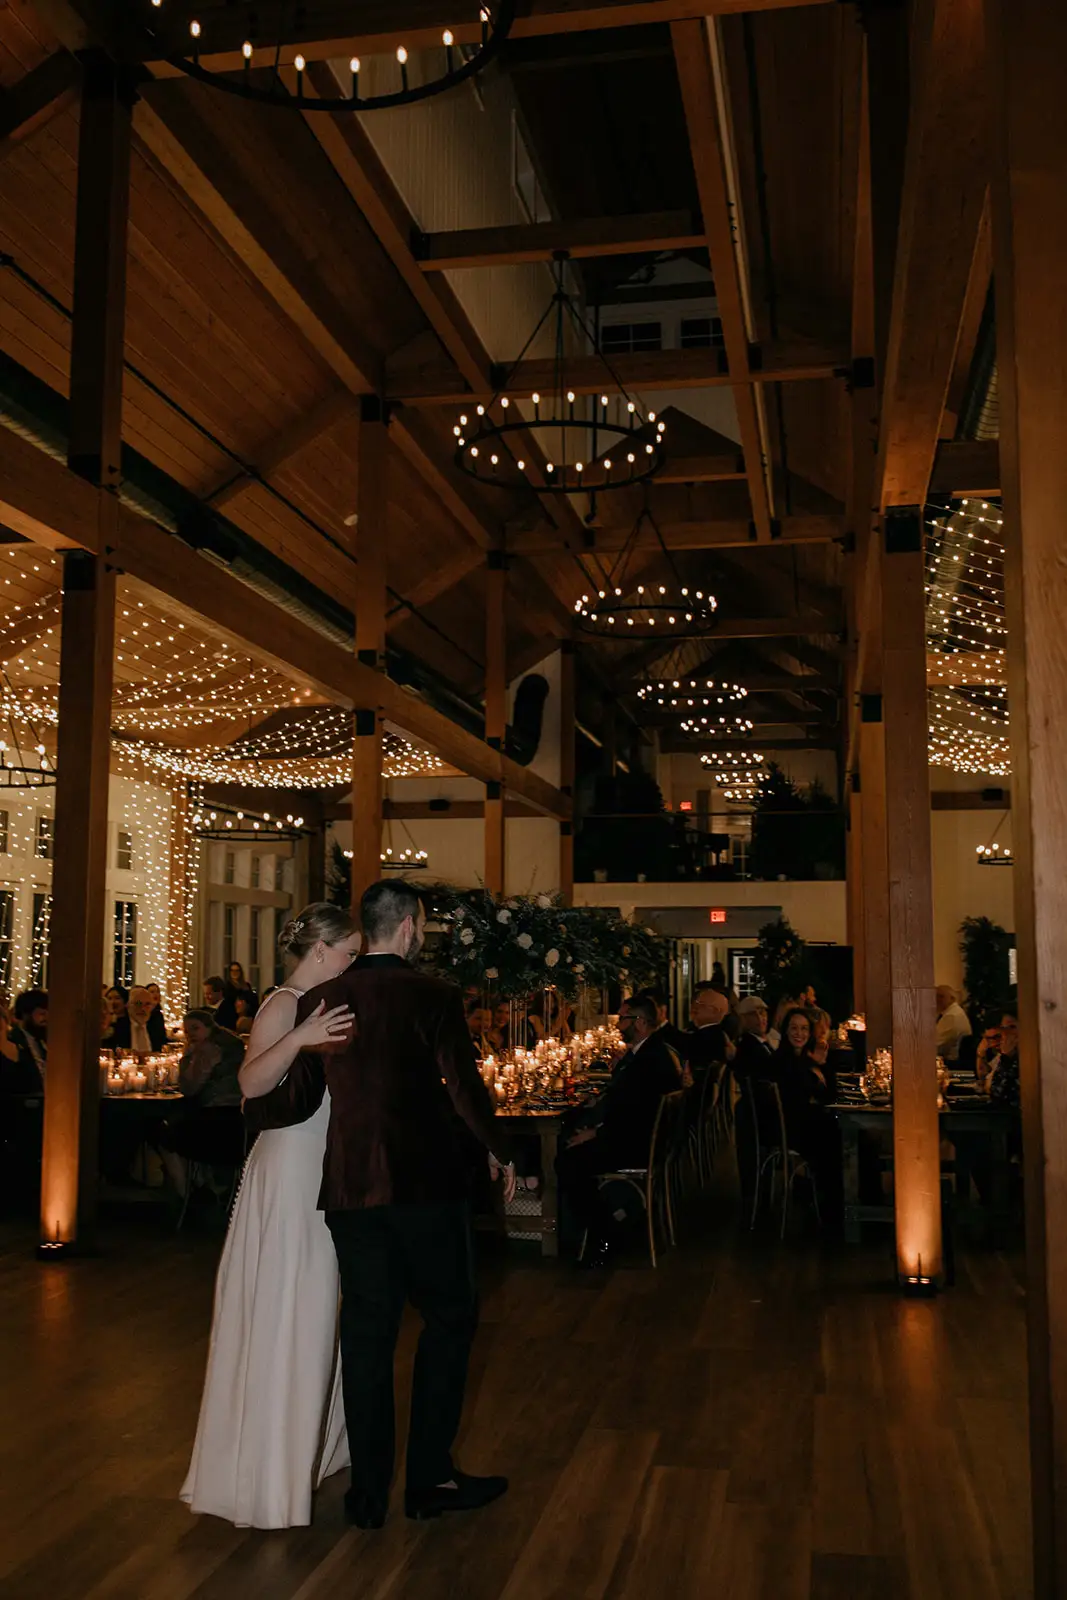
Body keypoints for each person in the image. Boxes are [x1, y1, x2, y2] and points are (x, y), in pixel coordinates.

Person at [293, 879, 516, 1529]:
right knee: (448, 1320)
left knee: (366, 1337)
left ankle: (366, 1498)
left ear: (368, 927)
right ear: (411, 926)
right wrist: (501, 1152)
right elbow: (464, 1087)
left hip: (351, 1190)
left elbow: (300, 1095)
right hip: (424, 1188)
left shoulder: (324, 996)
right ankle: (429, 1479)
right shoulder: (434, 996)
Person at [181, 902, 359, 1529]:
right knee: (289, 1303)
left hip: (322, 1163)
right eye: (348, 952)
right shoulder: (285, 1002)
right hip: (288, 1168)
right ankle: (267, 1469)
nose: (352, 963)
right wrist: (301, 1038)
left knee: (317, 1306)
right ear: (320, 951)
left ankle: (311, 1448)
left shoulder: (328, 1002)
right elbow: (252, 1085)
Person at [558, 993, 682, 1267]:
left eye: (622, 1018)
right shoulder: (650, 1052)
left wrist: (595, 1133)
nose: (618, 1025)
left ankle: (605, 1235)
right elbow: (627, 1104)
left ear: (639, 1022)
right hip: (644, 1140)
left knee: (568, 1161)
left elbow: (633, 1117)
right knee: (572, 1144)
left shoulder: (649, 1060)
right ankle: (601, 1225)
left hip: (636, 1145)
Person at [0, 991, 46, 1092]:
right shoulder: (13, 1042)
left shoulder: (41, 1041)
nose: (47, 1019)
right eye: (42, 1014)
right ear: (26, 1014)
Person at [977, 1010, 1020, 1110]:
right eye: (1004, 1029)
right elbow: (986, 1082)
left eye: (1012, 1027)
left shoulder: (1027, 1057)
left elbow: (999, 1093)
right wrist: (980, 1055)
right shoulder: (1004, 1055)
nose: (1006, 1034)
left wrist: (1007, 1058)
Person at [107, 984, 168, 1053]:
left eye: (147, 1004)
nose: (143, 1009)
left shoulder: (155, 1024)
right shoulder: (117, 1027)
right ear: (128, 1005)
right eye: (138, 1004)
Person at [733, 995, 774, 1078]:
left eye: (762, 1012)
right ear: (743, 1019)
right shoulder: (748, 1047)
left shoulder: (763, 1043)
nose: (759, 1018)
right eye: (752, 1015)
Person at [936, 985, 972, 1063]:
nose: (937, 999)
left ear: (952, 998)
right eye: (935, 996)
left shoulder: (951, 1016)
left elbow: (938, 1046)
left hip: (951, 1062)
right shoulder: (952, 1011)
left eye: (941, 996)